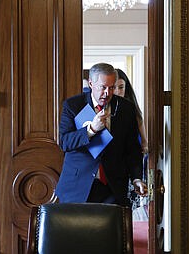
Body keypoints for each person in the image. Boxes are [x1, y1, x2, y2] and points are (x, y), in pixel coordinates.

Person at [55, 62, 148, 206]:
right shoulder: (73, 105)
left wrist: (136, 178)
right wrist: (91, 130)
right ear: (91, 84)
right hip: (77, 187)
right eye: (103, 87)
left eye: (111, 88)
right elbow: (65, 142)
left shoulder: (126, 109)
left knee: (111, 229)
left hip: (113, 187)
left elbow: (133, 149)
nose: (107, 93)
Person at [115, 68, 148, 154]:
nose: (117, 92)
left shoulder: (131, 106)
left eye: (121, 87)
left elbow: (140, 121)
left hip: (132, 149)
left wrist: (145, 144)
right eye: (114, 87)